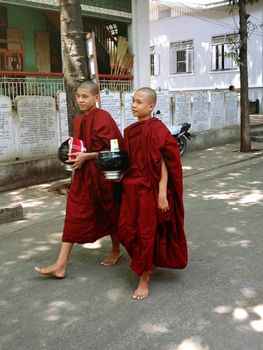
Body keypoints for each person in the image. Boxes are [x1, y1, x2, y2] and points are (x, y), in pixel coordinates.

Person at [35, 80, 123, 278]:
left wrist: (88, 156)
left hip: (102, 175)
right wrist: (73, 164)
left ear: (96, 98)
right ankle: (60, 264)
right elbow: (79, 147)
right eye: (78, 96)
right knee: (74, 214)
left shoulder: (103, 118)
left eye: (85, 96)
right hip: (83, 175)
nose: (81, 100)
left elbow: (115, 149)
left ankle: (116, 249)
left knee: (110, 212)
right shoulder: (78, 120)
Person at [118, 87, 188, 300]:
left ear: (151, 106)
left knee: (145, 233)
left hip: (150, 189)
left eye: (139, 102)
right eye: (133, 101)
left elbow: (165, 163)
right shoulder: (130, 131)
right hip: (131, 188)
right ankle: (147, 263)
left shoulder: (157, 129)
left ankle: (144, 277)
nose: (133, 105)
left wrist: (161, 194)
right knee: (125, 230)